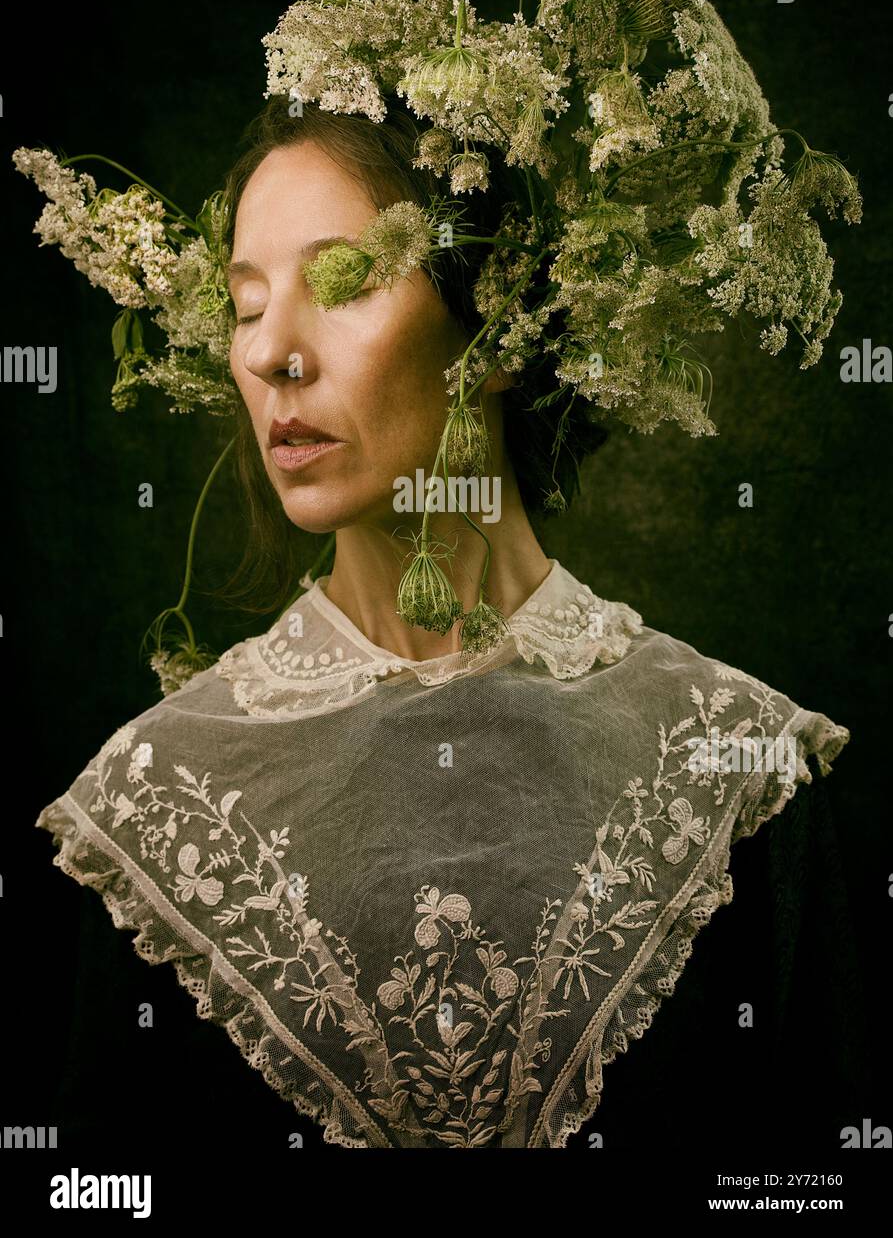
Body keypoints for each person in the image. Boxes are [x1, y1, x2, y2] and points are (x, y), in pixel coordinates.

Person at [34, 97, 851, 1150]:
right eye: (244, 304)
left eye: (339, 284)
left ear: (502, 325)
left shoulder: (742, 772)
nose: (273, 353)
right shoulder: (148, 810)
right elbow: (89, 1190)